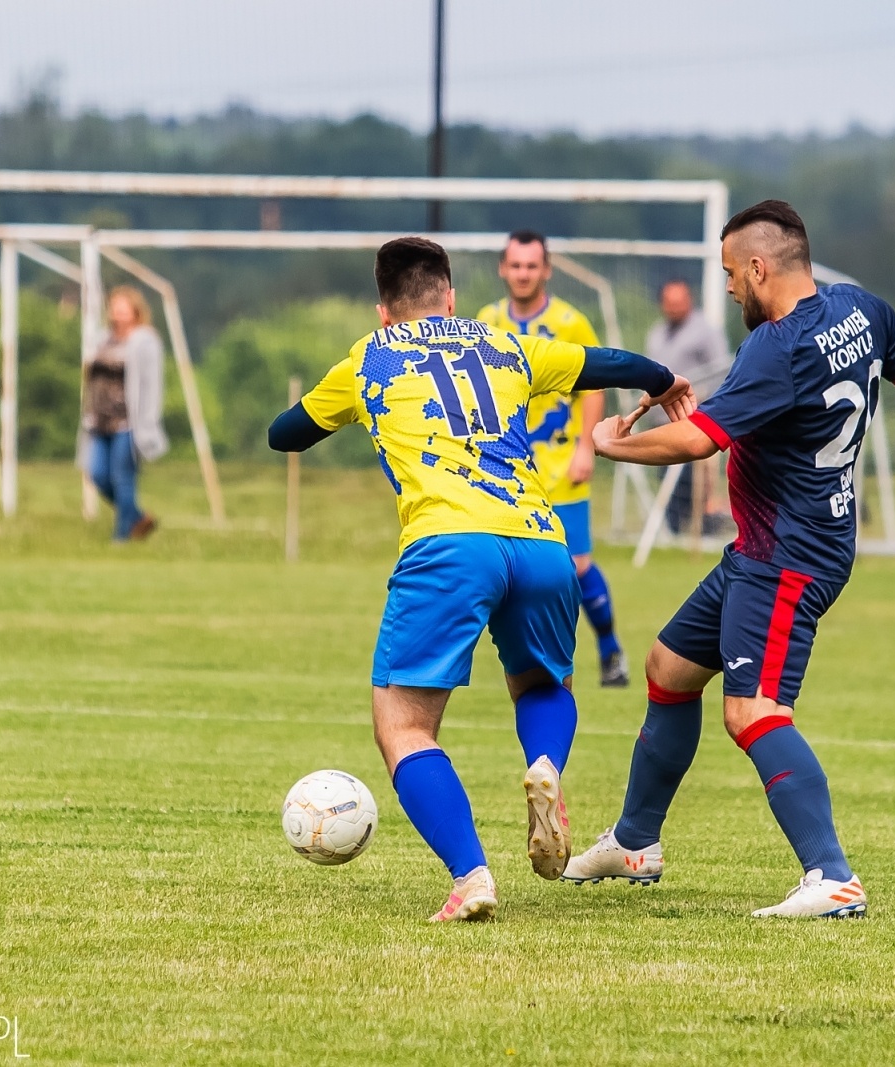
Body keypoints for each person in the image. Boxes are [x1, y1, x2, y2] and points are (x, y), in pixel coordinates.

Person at [561, 200, 895, 919]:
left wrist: (609, 444)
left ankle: (833, 875)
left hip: (789, 554)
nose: (726, 287)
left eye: (729, 273)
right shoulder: (863, 309)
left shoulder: (777, 346)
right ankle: (634, 841)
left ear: (759, 267)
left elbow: (698, 444)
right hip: (771, 545)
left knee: (753, 710)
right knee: (667, 667)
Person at [268, 237, 693, 922]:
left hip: (449, 545)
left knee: (403, 725)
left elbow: (284, 435)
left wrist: (339, 410)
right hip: (541, 542)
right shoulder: (506, 344)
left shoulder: (368, 357)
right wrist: (662, 379)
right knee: (542, 684)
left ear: (384, 310)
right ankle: (546, 763)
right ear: (451, 297)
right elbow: (612, 364)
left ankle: (471, 876)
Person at [477, 231, 630, 687]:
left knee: (576, 565)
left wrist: (587, 447)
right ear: (503, 269)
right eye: (515, 265)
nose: (523, 273)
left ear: (546, 270)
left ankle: (610, 652)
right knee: (506, 564)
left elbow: (593, 386)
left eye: (531, 265)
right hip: (506, 468)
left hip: (561, 465)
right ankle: (529, 659)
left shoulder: (570, 322)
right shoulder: (486, 321)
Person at [79, 285, 167, 542]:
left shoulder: (145, 340)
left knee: (122, 478)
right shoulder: (102, 339)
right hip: (99, 420)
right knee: (97, 474)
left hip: (129, 423)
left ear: (135, 312)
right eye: (115, 309)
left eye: (123, 310)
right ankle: (137, 517)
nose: (118, 315)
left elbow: (152, 383)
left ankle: (122, 536)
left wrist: (149, 422)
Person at [643, 279, 732, 534]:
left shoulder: (706, 332)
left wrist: (705, 403)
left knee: (694, 488)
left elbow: (721, 369)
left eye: (678, 302)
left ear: (689, 301)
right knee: (667, 489)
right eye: (669, 303)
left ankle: (703, 531)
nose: (674, 308)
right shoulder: (657, 333)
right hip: (661, 423)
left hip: (694, 422)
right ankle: (674, 535)